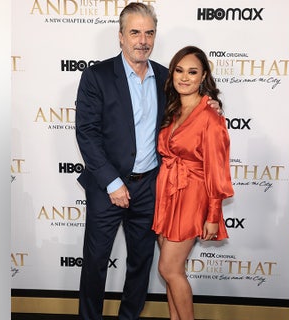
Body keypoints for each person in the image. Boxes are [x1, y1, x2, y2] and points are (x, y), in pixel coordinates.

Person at [74, 4, 221, 320]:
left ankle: (129, 317)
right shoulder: (97, 76)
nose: (143, 40)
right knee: (96, 260)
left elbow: (191, 110)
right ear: (121, 37)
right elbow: (86, 133)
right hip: (107, 187)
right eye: (135, 32)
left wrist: (212, 106)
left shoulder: (166, 77)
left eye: (149, 33)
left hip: (150, 187)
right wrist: (113, 182)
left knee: (140, 262)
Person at [152, 45, 235, 320]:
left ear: (203, 77)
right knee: (171, 270)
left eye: (192, 72)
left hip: (191, 195)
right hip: (167, 192)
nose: (184, 77)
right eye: (179, 70)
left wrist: (213, 215)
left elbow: (217, 170)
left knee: (169, 269)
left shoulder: (210, 117)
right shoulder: (171, 107)